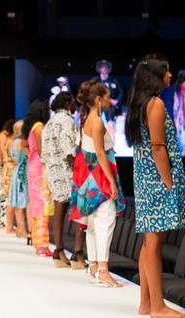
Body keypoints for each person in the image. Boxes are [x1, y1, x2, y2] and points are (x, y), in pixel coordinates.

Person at [125, 54, 185, 318]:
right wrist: (168, 182)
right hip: (156, 179)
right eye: (166, 71)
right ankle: (158, 306)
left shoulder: (142, 104)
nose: (170, 75)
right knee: (154, 242)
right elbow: (158, 147)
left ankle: (146, 303)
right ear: (155, 75)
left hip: (145, 178)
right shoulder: (155, 104)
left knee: (149, 241)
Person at [70, 80, 126, 287]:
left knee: (94, 222)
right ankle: (102, 269)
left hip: (89, 176)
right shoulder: (96, 121)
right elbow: (101, 153)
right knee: (105, 220)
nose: (110, 101)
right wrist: (111, 181)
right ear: (97, 99)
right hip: (98, 176)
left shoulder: (88, 119)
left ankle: (94, 266)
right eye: (107, 97)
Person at [41, 91, 82, 268]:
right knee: (80, 209)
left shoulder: (49, 123)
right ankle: (78, 254)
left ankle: (58, 250)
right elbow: (68, 148)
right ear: (66, 103)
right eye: (73, 102)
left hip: (52, 169)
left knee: (59, 207)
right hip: (67, 169)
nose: (75, 106)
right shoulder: (66, 120)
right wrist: (80, 163)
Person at [22, 100, 53, 257]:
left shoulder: (31, 127)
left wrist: (31, 156)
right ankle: (42, 244)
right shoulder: (40, 127)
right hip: (41, 168)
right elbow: (43, 151)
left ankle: (38, 242)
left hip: (34, 166)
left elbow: (24, 146)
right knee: (42, 204)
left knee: (37, 203)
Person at [8, 120, 29, 238]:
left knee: (17, 202)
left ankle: (20, 229)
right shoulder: (22, 142)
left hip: (16, 171)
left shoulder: (13, 142)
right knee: (22, 203)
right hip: (23, 173)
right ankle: (23, 229)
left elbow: (14, 160)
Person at [92, 60, 124, 124]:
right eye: (102, 67)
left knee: (110, 124)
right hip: (98, 107)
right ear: (99, 68)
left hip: (110, 108)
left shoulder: (113, 80)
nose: (104, 69)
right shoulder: (95, 80)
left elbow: (121, 93)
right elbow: (91, 92)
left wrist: (116, 101)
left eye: (106, 67)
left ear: (109, 69)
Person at [172, 70, 185, 157]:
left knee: (180, 134)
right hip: (184, 114)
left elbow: (176, 104)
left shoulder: (177, 87)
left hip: (178, 115)